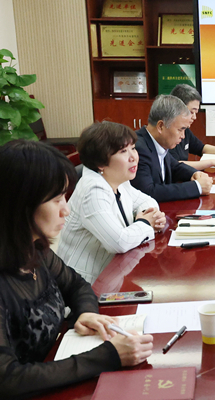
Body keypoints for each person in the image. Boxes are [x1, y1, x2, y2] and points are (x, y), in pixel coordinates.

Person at [0, 140, 153, 398]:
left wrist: (85, 313)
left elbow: (76, 285)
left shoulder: (35, 249)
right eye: (56, 200)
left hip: (56, 372)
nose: (66, 210)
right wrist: (108, 356)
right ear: (20, 205)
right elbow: (8, 379)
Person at [57, 122, 166, 284]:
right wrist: (145, 223)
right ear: (101, 163)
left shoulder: (118, 179)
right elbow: (119, 242)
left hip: (113, 274)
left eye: (133, 148)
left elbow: (147, 201)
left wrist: (148, 216)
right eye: (123, 151)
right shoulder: (93, 191)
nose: (133, 157)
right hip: (85, 285)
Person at [131, 95, 213, 202]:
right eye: (180, 130)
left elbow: (174, 166)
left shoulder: (157, 143)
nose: (183, 136)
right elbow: (148, 192)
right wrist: (197, 187)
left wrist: (194, 174)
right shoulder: (137, 148)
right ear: (161, 126)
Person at [169, 84, 215, 169]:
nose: (194, 117)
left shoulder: (185, 130)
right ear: (177, 108)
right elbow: (174, 165)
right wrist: (212, 162)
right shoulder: (168, 132)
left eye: (196, 113)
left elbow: (200, 148)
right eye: (191, 112)